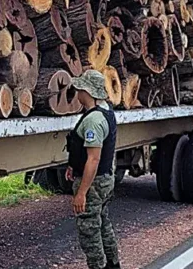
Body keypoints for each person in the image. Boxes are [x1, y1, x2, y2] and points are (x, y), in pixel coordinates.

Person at [65, 69, 121, 269]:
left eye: (79, 88)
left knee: (89, 230)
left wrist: (82, 193)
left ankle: (97, 266)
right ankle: (113, 264)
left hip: (93, 183)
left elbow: (94, 158)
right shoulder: (106, 112)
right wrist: (73, 165)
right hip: (104, 180)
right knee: (103, 223)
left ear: (87, 92)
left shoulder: (93, 121)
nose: (77, 92)